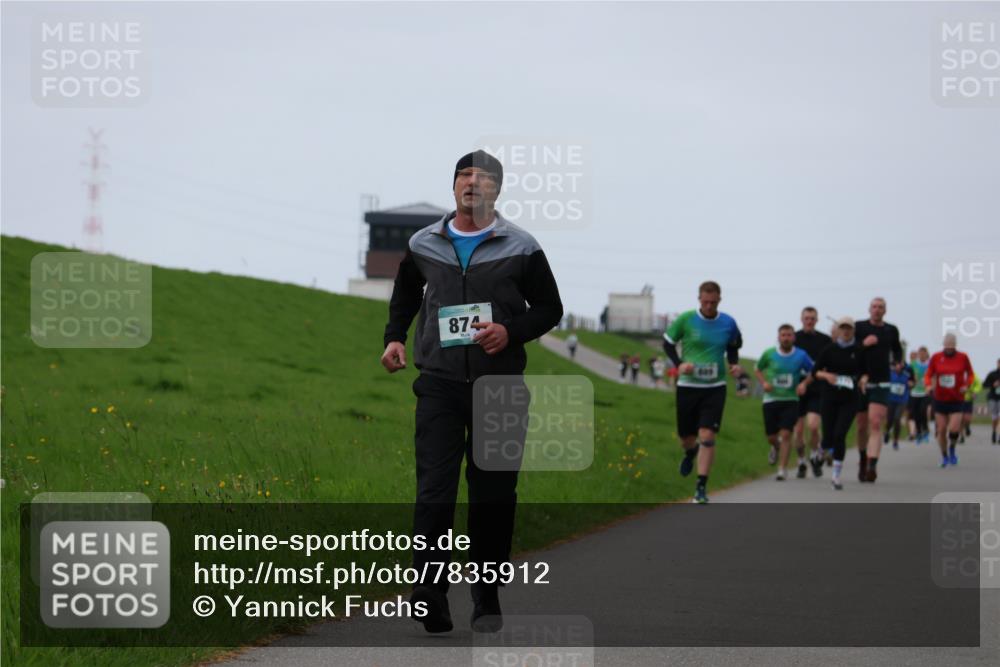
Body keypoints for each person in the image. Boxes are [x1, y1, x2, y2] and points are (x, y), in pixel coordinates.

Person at [381, 149, 563, 634]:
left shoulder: (521, 245)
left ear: (496, 191)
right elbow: (405, 294)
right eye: (464, 177)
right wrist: (395, 337)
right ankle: (429, 591)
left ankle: (485, 595)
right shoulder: (424, 243)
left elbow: (549, 308)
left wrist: (511, 331)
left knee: (493, 495)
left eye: (482, 179)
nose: (471, 185)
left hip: (499, 386)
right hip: (438, 384)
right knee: (434, 491)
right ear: (454, 186)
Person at [662, 281, 743, 504]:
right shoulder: (686, 319)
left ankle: (701, 487)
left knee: (707, 435)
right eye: (705, 302)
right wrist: (679, 364)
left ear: (719, 300)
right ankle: (690, 452)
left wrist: (734, 364)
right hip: (688, 386)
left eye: (713, 302)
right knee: (686, 438)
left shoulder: (728, 322)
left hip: (715, 387)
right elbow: (667, 343)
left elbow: (734, 345)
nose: (709, 306)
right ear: (699, 299)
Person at [755, 324, 814, 480]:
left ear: (794, 337)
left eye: (789, 335)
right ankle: (775, 447)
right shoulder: (769, 354)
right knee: (772, 437)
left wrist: (803, 384)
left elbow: (813, 371)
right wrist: (763, 383)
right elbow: (757, 369)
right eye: (783, 335)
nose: (786, 338)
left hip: (790, 400)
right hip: (770, 400)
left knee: (786, 434)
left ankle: (782, 469)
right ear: (778, 337)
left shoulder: (801, 355)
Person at [854, 297, 903, 483]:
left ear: (885, 311)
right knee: (861, 425)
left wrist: (898, 362)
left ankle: (872, 466)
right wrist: (864, 344)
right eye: (874, 306)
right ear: (869, 309)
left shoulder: (891, 330)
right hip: (861, 383)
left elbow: (897, 350)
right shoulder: (859, 327)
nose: (877, 310)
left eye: (880, 307)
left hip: (881, 381)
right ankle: (862, 459)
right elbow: (851, 350)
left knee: (875, 423)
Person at [812, 317, 864, 490]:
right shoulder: (829, 350)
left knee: (839, 435)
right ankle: (820, 453)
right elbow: (815, 372)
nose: (846, 331)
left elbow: (866, 372)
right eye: (843, 328)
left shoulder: (859, 351)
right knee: (828, 438)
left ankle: (836, 476)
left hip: (850, 399)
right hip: (829, 397)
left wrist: (863, 380)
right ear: (838, 330)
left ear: (853, 331)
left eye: (849, 328)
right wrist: (827, 376)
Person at [924, 333, 974, 468]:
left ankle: (952, 448)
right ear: (943, 346)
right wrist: (928, 385)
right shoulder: (936, 357)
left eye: (951, 348)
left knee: (954, 429)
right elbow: (928, 374)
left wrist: (966, 385)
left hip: (957, 399)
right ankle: (944, 455)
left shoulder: (963, 357)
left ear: (955, 346)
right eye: (947, 348)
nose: (949, 350)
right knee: (941, 430)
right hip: (940, 399)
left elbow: (970, 374)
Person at [794, 306, 832, 477]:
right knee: (799, 430)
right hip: (796, 389)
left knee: (814, 425)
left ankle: (815, 455)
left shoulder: (825, 340)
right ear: (802, 320)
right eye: (806, 318)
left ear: (816, 321)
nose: (809, 321)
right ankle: (801, 460)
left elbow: (831, 363)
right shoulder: (793, 338)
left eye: (812, 318)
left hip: (817, 388)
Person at [883, 362, 912, 450]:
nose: (898, 366)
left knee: (897, 418)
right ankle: (887, 431)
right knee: (889, 419)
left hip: (902, 400)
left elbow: (913, 381)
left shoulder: (907, 374)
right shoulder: (890, 374)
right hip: (891, 400)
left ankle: (895, 441)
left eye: (900, 364)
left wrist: (911, 384)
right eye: (896, 365)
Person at [908, 348, 931, 444]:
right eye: (920, 354)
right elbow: (908, 375)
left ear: (926, 355)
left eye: (923, 354)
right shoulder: (913, 364)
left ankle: (925, 430)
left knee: (923, 411)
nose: (922, 356)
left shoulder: (930, 365)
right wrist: (910, 382)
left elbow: (934, 376)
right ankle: (919, 432)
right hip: (914, 392)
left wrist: (931, 386)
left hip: (925, 392)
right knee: (916, 413)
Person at [960, 372, 981, 443]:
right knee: (960, 419)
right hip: (958, 399)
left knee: (967, 418)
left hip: (969, 399)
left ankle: (967, 426)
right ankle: (961, 436)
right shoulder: (957, 373)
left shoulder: (972, 374)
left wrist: (975, 392)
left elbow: (978, 385)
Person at [984, 358, 1000, 444]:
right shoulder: (992, 374)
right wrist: (993, 384)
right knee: (995, 417)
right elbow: (984, 385)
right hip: (993, 397)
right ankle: (994, 432)